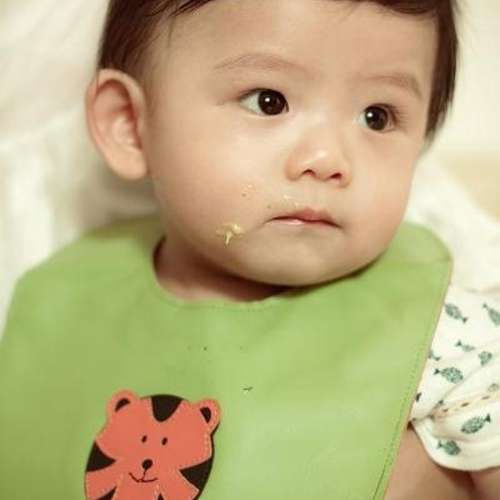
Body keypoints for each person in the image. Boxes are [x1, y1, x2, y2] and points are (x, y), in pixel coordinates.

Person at [0, 0, 499, 498]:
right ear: (130, 123)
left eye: (377, 116)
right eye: (268, 101)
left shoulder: (446, 338)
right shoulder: (55, 304)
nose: (327, 158)